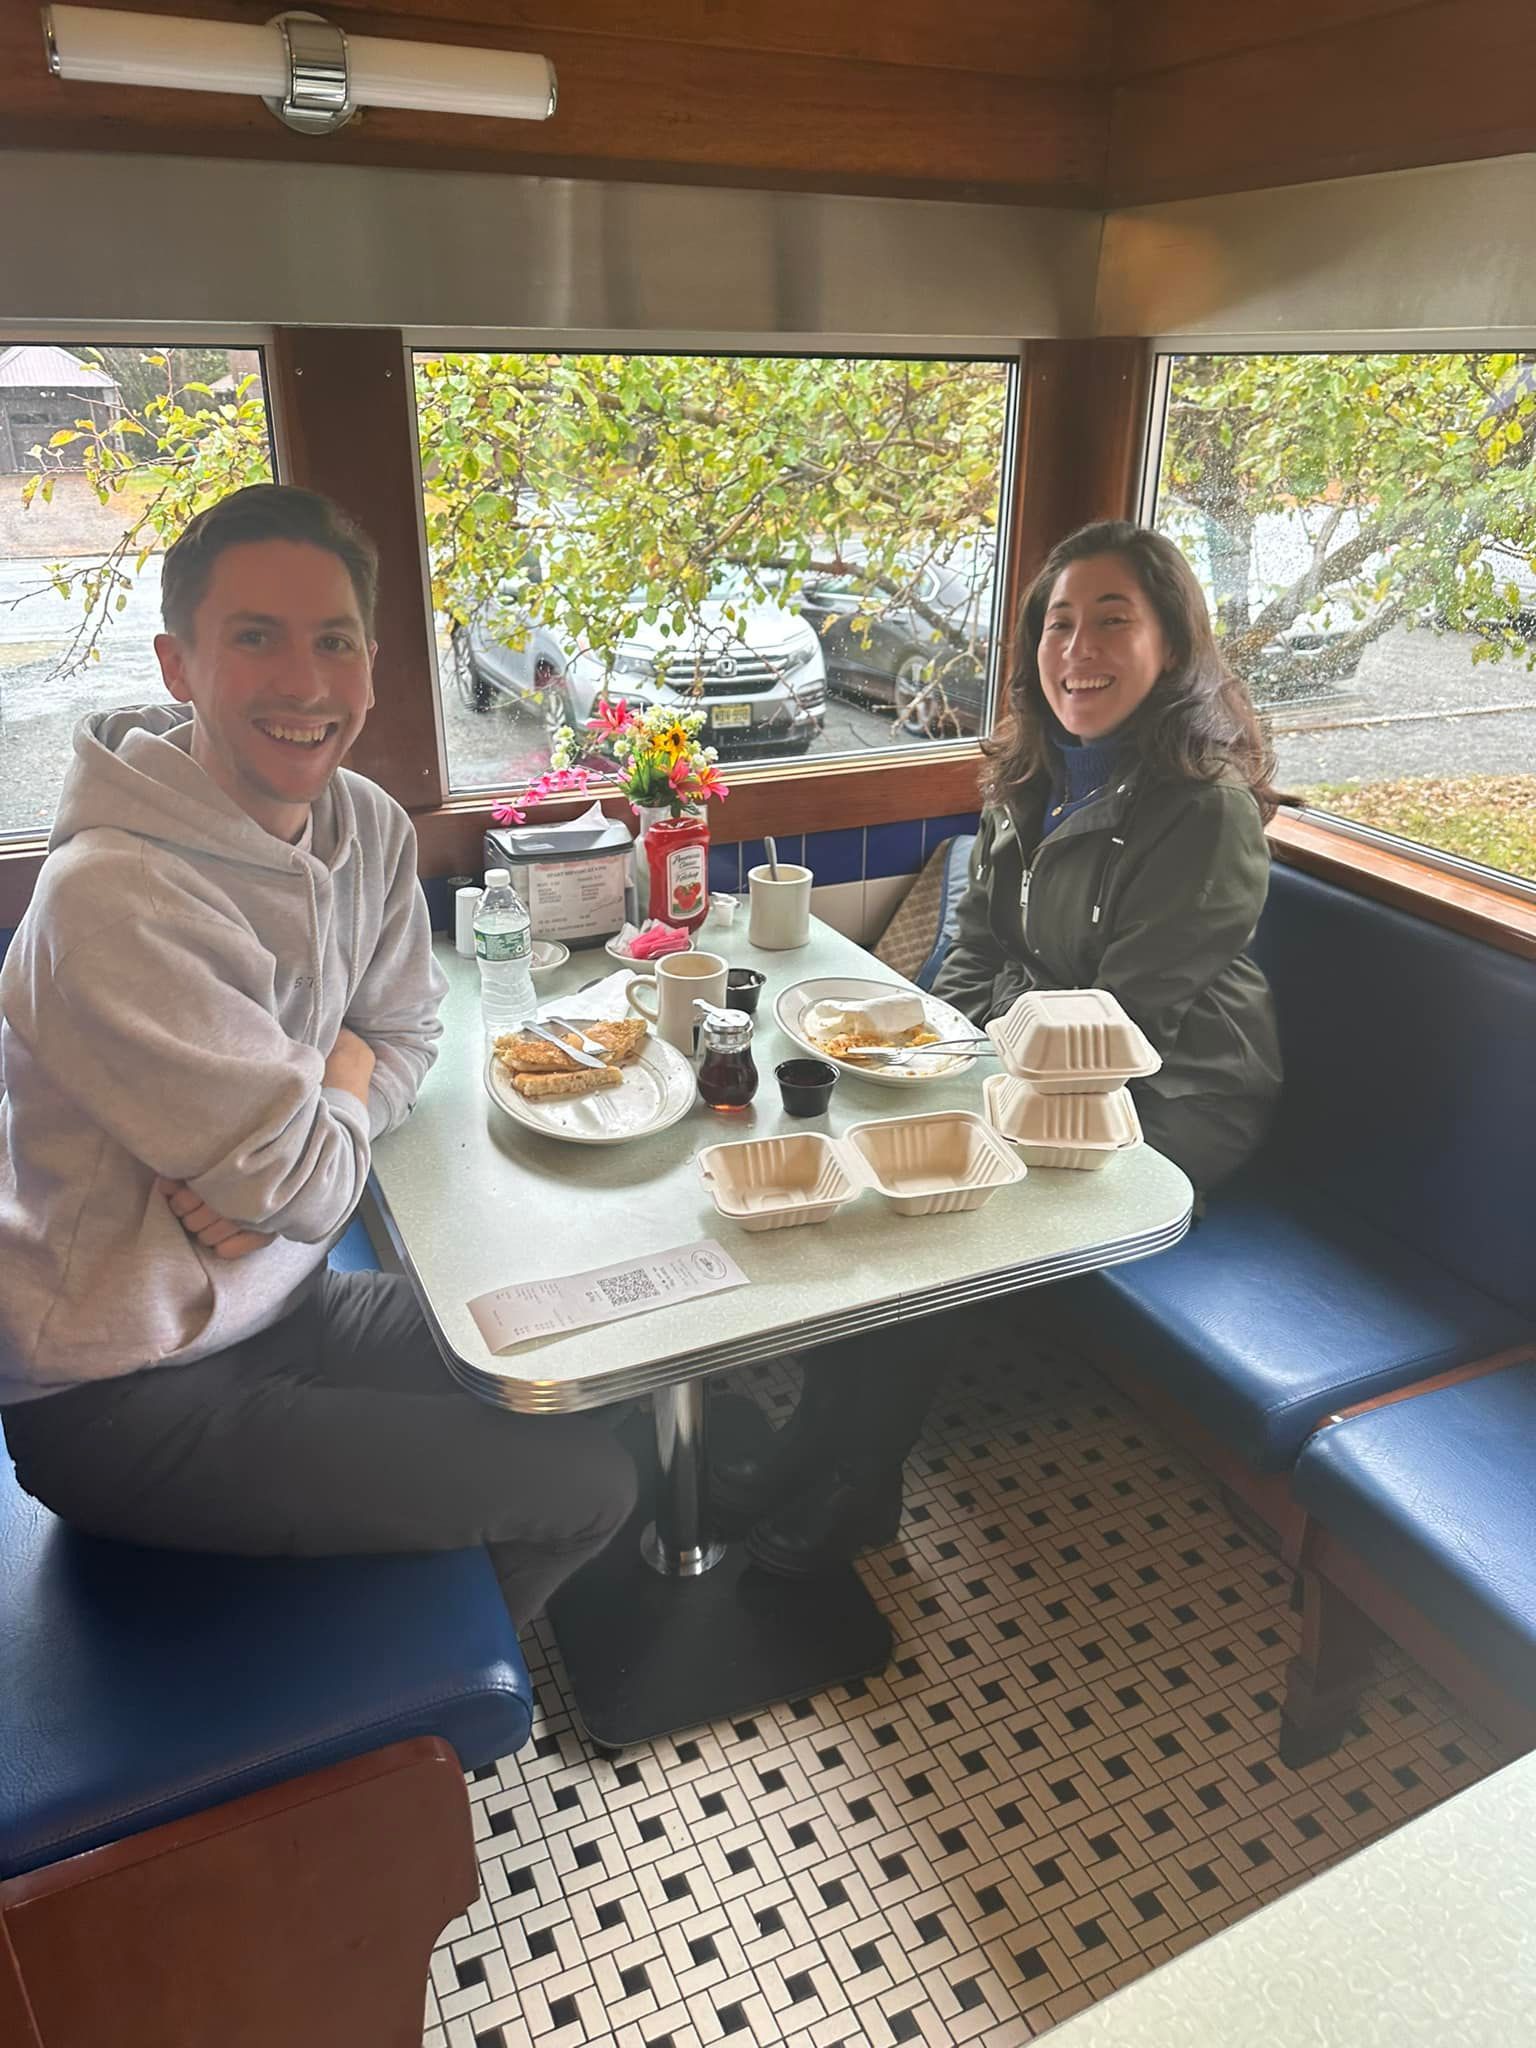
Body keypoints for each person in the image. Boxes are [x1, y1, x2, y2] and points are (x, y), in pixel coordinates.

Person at [0, 485, 635, 1627]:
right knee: (592, 1483)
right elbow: (298, 1183)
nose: (304, 682)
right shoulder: (114, 897)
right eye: (255, 637)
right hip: (122, 1396)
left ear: (373, 663)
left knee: (591, 1376)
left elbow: (403, 1032)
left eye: (333, 640)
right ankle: (425, 1713)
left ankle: (442, 1616)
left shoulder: (368, 826)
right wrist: (318, 1130)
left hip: (282, 1304)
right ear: (178, 664)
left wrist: (321, 1117)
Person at [723, 519, 1283, 1575]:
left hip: (1165, 1096)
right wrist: (929, 1060)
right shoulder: (1032, 774)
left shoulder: (1201, 809)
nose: (1079, 648)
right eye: (1058, 623)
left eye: (1112, 621)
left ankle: (857, 1482)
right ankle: (816, 1445)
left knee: (928, 1220)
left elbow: (1121, 1020)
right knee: (872, 1153)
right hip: (1031, 1060)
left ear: (1172, 644)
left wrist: (969, 1092)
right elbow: (976, 944)